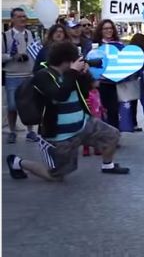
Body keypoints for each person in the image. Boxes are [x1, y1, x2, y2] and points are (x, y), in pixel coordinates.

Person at [6, 42, 129, 181]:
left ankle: (108, 165)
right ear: (65, 61)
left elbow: (84, 92)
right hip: (60, 136)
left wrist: (83, 74)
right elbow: (59, 95)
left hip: (83, 125)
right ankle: (17, 162)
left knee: (112, 135)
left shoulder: (70, 73)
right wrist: (73, 72)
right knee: (56, 176)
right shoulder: (43, 76)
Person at [2, 7, 39, 143]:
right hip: (12, 76)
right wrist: (11, 56)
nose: (23, 19)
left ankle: (30, 131)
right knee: (12, 106)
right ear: (12, 19)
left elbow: (37, 52)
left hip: (28, 75)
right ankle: (12, 131)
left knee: (28, 105)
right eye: (19, 16)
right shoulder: (5, 36)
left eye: (24, 16)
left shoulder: (32, 34)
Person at [92, 19, 122, 129]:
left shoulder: (119, 45)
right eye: (106, 28)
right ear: (100, 30)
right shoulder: (95, 46)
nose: (109, 30)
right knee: (100, 110)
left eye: (110, 28)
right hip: (100, 83)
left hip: (115, 84)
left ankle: (114, 136)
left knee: (114, 111)